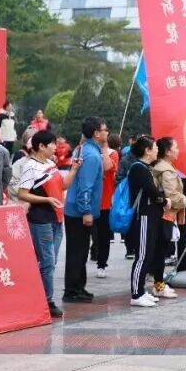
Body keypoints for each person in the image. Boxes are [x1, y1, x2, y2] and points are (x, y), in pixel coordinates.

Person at [18, 130, 77, 318]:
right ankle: (47, 300)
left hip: (57, 219)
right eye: (51, 144)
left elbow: (62, 186)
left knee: (49, 261)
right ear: (41, 146)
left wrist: (74, 170)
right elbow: (22, 193)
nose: (55, 147)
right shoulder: (31, 166)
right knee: (48, 261)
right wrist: (47, 201)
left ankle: (38, 295)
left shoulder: (51, 164)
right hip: (41, 219)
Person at [61, 117, 105, 303]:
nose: (107, 132)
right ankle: (72, 290)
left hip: (74, 208)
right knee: (77, 251)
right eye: (104, 129)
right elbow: (85, 186)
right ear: (96, 133)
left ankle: (79, 286)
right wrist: (86, 211)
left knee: (79, 250)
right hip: (79, 211)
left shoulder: (83, 149)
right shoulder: (92, 156)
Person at [125, 136, 165, 307]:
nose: (157, 150)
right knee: (142, 256)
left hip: (151, 216)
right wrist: (164, 200)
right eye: (155, 147)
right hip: (144, 217)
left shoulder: (146, 167)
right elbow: (152, 192)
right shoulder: (138, 168)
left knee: (148, 254)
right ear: (147, 150)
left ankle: (141, 290)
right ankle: (136, 294)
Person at [150, 137, 186, 299]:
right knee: (160, 251)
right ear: (167, 151)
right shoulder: (166, 170)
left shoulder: (162, 167)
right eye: (176, 147)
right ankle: (158, 286)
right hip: (164, 214)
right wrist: (185, 200)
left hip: (163, 214)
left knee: (159, 250)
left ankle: (158, 284)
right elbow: (171, 194)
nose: (178, 150)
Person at [91, 134, 121, 278]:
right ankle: (91, 255)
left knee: (103, 235)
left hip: (104, 202)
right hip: (88, 201)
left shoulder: (112, 153)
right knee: (89, 234)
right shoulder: (86, 150)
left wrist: (103, 148)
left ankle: (102, 264)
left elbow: (108, 166)